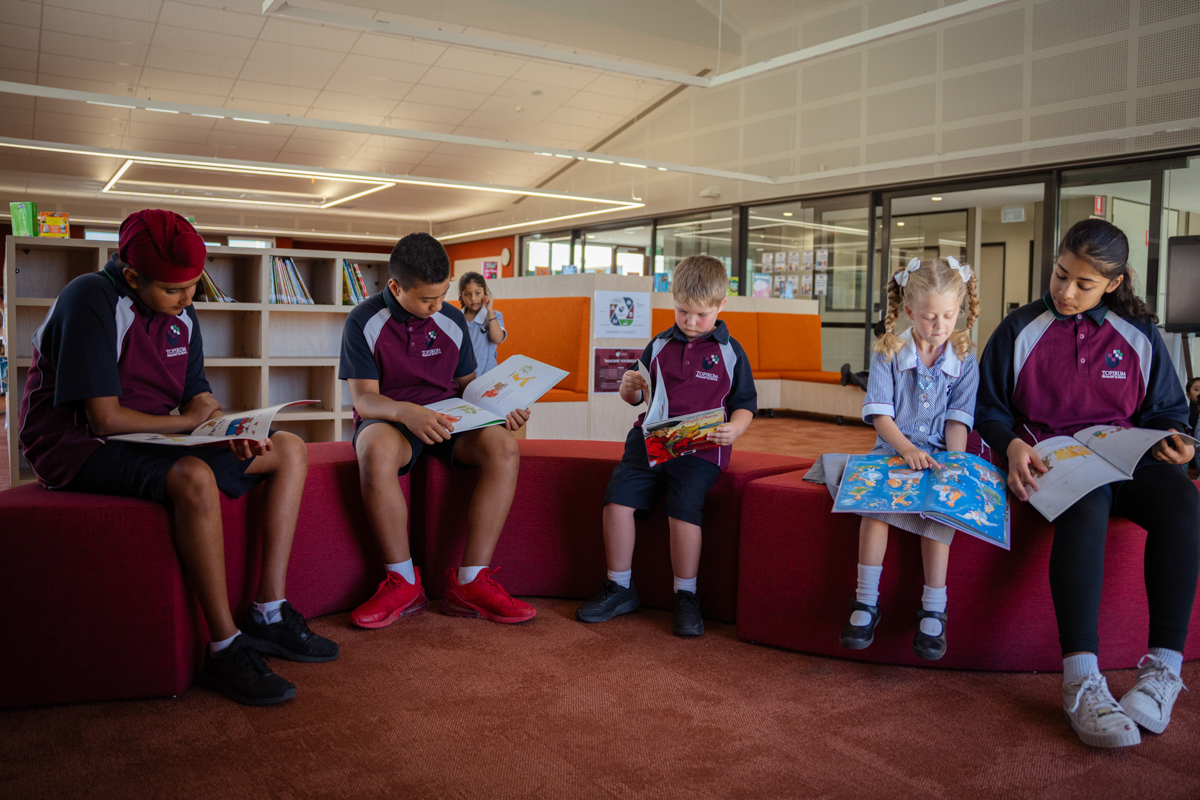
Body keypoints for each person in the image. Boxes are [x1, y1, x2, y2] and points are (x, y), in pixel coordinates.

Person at [18, 210, 336, 706]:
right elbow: (102, 420)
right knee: (192, 477)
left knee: (289, 448)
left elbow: (196, 396)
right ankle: (225, 647)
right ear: (131, 277)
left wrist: (220, 423)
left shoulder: (182, 312)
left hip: (149, 437)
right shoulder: (89, 298)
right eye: (175, 290)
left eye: (193, 287)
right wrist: (192, 425)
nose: (189, 300)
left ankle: (269, 612)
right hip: (74, 445)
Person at [976, 218, 1199, 749]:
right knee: (1088, 500)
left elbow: (1170, 413)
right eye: (1060, 276)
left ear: (1115, 284)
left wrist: (1180, 443)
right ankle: (1081, 680)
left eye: (1084, 284)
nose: (1066, 291)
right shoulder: (1019, 330)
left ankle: (1162, 673)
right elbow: (986, 411)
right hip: (1052, 460)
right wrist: (1011, 446)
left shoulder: (1140, 335)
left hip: (1126, 455)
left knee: (1184, 504)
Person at [340, 232, 535, 628]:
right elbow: (364, 400)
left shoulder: (450, 318)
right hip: (392, 419)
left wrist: (502, 407)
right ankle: (404, 582)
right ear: (395, 287)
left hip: (452, 418)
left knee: (503, 445)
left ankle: (471, 582)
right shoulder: (362, 320)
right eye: (427, 299)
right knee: (374, 450)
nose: (437, 306)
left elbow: (469, 386)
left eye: (443, 295)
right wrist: (407, 413)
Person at [575, 255, 757, 637]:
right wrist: (628, 390)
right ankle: (619, 585)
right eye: (682, 311)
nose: (691, 322)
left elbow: (744, 405)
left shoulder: (730, 351)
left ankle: (685, 595)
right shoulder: (657, 344)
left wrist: (734, 430)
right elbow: (637, 395)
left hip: (703, 446)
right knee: (616, 501)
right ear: (673, 301)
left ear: (721, 306)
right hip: (651, 438)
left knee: (683, 509)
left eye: (701, 315)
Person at [830, 256, 980, 661]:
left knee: (940, 511)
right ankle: (865, 601)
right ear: (910, 311)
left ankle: (934, 606)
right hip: (892, 447)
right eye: (930, 316)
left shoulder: (965, 360)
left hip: (938, 453)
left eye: (949, 315)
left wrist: (955, 462)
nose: (940, 326)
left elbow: (956, 421)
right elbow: (881, 416)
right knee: (875, 507)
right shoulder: (888, 351)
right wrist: (907, 450)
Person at [458, 271, 506, 377]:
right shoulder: (457, 318)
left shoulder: (494, 316)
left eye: (477, 293)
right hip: (463, 378)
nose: (473, 298)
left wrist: (490, 311)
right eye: (468, 294)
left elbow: (498, 339)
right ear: (462, 295)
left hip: (488, 376)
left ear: (485, 292)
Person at [840, 319, 888, 391]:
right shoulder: (880, 351)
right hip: (876, 374)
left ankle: (858, 380)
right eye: (879, 339)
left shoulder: (896, 348)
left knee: (871, 377)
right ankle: (850, 377)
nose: (880, 341)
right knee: (863, 374)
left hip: (884, 378)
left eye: (881, 338)